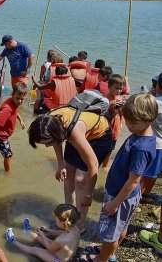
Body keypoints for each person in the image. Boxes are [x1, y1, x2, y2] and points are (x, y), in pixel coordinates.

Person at [83, 93, 158, 262]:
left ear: (150, 119)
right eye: (127, 120)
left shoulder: (141, 148)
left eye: (134, 122)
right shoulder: (141, 133)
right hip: (122, 194)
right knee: (120, 226)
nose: (129, 125)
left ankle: (101, 258)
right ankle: (109, 252)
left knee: (111, 232)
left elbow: (133, 181)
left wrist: (114, 203)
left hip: (121, 196)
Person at [28, 99, 112, 233]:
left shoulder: (73, 131)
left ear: (56, 135)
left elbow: (93, 165)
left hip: (99, 137)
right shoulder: (49, 121)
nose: (47, 146)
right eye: (43, 143)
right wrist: (60, 165)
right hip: (73, 134)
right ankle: (67, 214)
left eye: (47, 142)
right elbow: (55, 142)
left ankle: (79, 223)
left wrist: (88, 194)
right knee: (68, 174)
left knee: (80, 180)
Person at [6, 204, 80, 262]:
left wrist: (43, 236)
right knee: (41, 239)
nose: (55, 221)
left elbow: (50, 249)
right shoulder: (76, 229)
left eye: (56, 219)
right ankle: (27, 231)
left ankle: (12, 241)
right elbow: (62, 233)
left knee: (35, 249)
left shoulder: (60, 240)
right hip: (67, 256)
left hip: (58, 260)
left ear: (62, 222)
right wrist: (49, 230)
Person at [0, 82, 26, 172]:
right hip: (1, 137)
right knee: (8, 155)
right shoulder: (7, 109)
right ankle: (7, 174)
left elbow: (15, 110)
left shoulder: (13, 102)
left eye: (22, 99)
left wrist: (21, 120)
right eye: (18, 98)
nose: (19, 101)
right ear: (12, 95)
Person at [140, 73, 162, 200]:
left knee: (143, 171)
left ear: (158, 84)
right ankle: (146, 192)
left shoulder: (154, 102)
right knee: (154, 172)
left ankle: (138, 194)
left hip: (152, 141)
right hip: (160, 143)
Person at [102, 74, 127, 167]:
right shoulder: (104, 99)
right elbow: (103, 115)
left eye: (121, 89)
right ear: (109, 86)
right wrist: (111, 105)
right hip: (104, 131)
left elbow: (125, 116)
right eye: (116, 88)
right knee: (100, 150)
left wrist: (123, 107)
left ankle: (104, 167)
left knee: (109, 151)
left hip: (115, 131)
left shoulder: (121, 99)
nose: (119, 91)